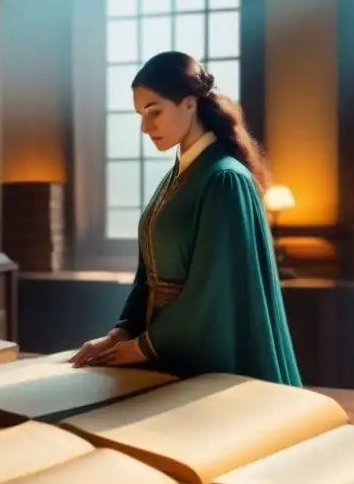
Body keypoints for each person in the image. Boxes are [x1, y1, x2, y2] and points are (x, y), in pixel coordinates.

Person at [70, 51, 302, 386]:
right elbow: (147, 277)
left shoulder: (224, 179)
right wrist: (120, 333)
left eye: (154, 111)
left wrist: (142, 347)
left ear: (189, 104)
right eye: (140, 114)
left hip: (207, 357)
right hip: (163, 350)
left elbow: (212, 291)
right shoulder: (177, 177)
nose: (145, 127)